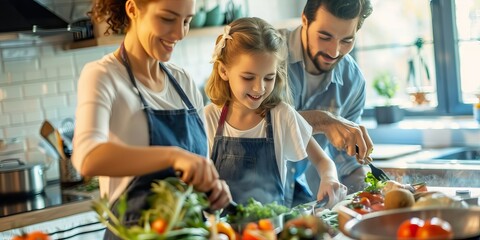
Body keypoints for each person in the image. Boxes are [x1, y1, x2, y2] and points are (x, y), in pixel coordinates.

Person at [72, 0, 231, 238]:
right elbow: (86, 156)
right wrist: (173, 155)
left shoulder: (183, 82)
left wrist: (212, 187)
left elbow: (196, 169)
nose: (179, 33)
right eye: (168, 18)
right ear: (133, 9)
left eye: (187, 21)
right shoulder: (103, 75)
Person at [204, 17, 347, 207]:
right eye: (248, 77)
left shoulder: (281, 115)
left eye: (269, 78)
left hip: (272, 228)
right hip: (222, 232)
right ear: (223, 71)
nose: (259, 88)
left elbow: (323, 162)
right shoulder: (208, 118)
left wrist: (329, 178)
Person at [280, 0, 374, 206]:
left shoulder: (352, 81)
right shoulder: (270, 54)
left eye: (347, 40)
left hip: (300, 196)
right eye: (325, 37)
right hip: (253, 194)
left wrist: (373, 190)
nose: (334, 52)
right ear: (305, 19)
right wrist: (323, 121)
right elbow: (257, 123)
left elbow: (346, 159)